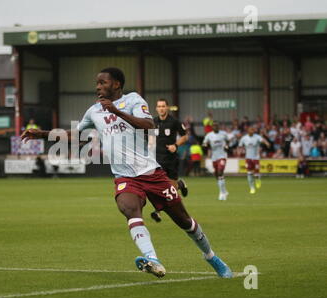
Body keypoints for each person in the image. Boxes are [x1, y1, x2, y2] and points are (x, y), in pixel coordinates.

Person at [21, 67, 233, 278]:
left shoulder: (133, 100)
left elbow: (148, 125)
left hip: (151, 173)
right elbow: (75, 134)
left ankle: (211, 257)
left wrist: (116, 111)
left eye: (103, 82)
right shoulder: (94, 110)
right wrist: (42, 134)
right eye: (97, 83)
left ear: (116, 84)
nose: (98, 87)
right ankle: (153, 259)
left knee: (184, 221)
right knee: (129, 209)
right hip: (125, 177)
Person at [149, 98, 189, 223]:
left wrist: (175, 146)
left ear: (167, 108)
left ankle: (180, 185)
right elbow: (151, 138)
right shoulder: (153, 122)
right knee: (157, 187)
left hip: (171, 159)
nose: (161, 108)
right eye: (159, 106)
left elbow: (185, 136)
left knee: (171, 189)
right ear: (156, 108)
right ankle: (158, 212)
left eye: (163, 106)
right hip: (157, 159)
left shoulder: (174, 122)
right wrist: (149, 146)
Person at [202, 121, 230, 201]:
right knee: (217, 174)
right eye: (214, 126)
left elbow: (228, 141)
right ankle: (224, 191)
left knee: (220, 172)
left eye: (217, 125)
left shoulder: (223, 134)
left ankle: (222, 193)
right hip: (214, 157)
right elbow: (204, 143)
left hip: (222, 156)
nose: (215, 127)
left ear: (219, 126)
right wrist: (205, 145)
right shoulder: (209, 135)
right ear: (212, 127)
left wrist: (227, 146)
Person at [239, 127, 271, 194]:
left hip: (256, 158)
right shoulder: (244, 138)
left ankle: (258, 179)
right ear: (248, 130)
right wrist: (239, 151)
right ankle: (252, 188)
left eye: (253, 130)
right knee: (249, 173)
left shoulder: (257, 137)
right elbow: (240, 145)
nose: (252, 131)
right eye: (251, 130)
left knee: (256, 173)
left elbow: (263, 140)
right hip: (248, 158)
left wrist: (267, 143)